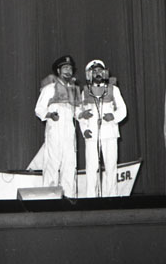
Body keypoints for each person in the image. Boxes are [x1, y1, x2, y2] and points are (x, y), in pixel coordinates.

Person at [77, 59, 127, 198]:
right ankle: (91, 199)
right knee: (91, 168)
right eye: (94, 71)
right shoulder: (85, 92)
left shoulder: (113, 89)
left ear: (104, 72)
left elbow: (123, 110)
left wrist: (114, 117)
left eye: (100, 70)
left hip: (110, 133)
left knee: (111, 167)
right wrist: (84, 129)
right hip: (92, 135)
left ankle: (111, 198)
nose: (97, 73)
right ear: (89, 74)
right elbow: (79, 112)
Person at [34, 55, 80, 197]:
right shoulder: (49, 88)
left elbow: (77, 112)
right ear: (58, 71)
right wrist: (49, 115)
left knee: (70, 165)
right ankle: (49, 199)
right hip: (55, 131)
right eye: (65, 68)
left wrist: (84, 114)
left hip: (69, 133)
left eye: (70, 68)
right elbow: (39, 109)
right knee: (52, 164)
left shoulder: (74, 90)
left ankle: (69, 197)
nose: (68, 71)